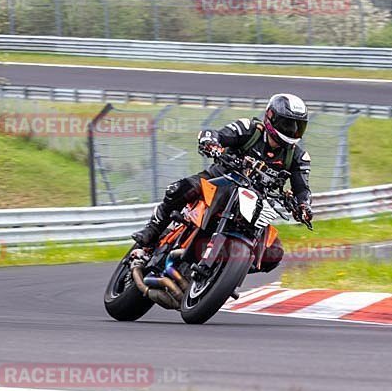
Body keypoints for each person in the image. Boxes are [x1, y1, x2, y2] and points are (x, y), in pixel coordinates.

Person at [130, 93, 313, 272]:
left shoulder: (298, 157)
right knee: (178, 189)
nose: (293, 130)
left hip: (256, 202)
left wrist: (303, 206)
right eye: (288, 124)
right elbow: (216, 134)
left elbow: (302, 188)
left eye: (298, 126)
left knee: (274, 253)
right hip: (219, 179)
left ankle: (223, 269)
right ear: (271, 117)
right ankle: (152, 232)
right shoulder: (249, 129)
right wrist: (210, 142)